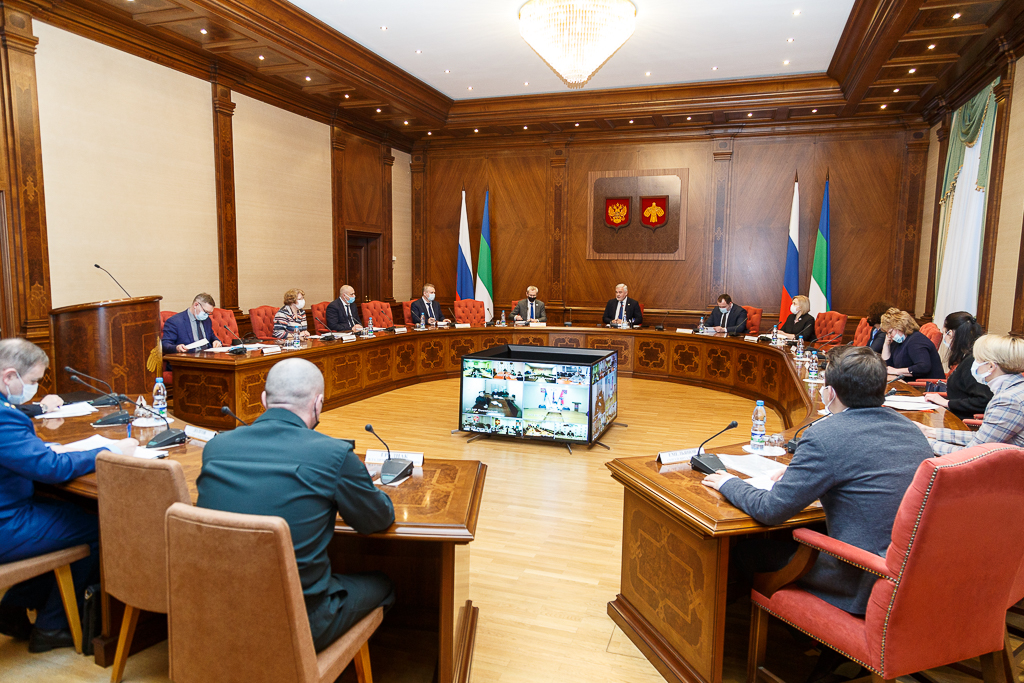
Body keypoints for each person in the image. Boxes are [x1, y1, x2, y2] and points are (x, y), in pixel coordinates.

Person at [702, 346, 932, 617]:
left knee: (748, 551)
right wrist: (802, 472)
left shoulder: (825, 436)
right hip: (913, 575)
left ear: (830, 393)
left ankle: (776, 626)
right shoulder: (911, 430)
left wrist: (729, 482)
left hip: (861, 578)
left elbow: (770, 510)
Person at [196, 358, 395, 652]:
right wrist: (363, 483)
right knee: (383, 584)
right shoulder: (335, 455)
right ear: (318, 403)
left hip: (219, 610)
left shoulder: (216, 448)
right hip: (298, 621)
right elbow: (376, 521)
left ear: (264, 400)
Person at [0, 339, 137, 652]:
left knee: (71, 512)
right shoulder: (5, 416)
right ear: (9, 376)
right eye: (33, 380)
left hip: (10, 505)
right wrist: (109, 450)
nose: (34, 388)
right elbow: (52, 468)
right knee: (101, 528)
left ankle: (14, 606)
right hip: (7, 523)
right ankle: (52, 626)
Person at [917, 334, 1024, 455]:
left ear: (991, 366)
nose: (973, 363)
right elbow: (982, 437)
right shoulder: (1015, 389)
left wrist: (923, 442)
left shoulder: (1008, 400)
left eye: (977, 359)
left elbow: (972, 453)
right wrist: (930, 432)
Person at [923, 311, 991, 419]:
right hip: (953, 416)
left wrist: (947, 403)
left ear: (950, 333)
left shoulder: (973, 362)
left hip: (962, 422)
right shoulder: (967, 357)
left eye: (944, 333)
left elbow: (982, 401)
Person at [880, 308, 943, 380]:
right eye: (887, 333)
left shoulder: (916, 340)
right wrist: (886, 344)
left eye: (890, 332)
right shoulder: (898, 341)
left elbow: (923, 367)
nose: (889, 336)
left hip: (924, 384)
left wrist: (896, 371)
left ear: (900, 327)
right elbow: (887, 366)